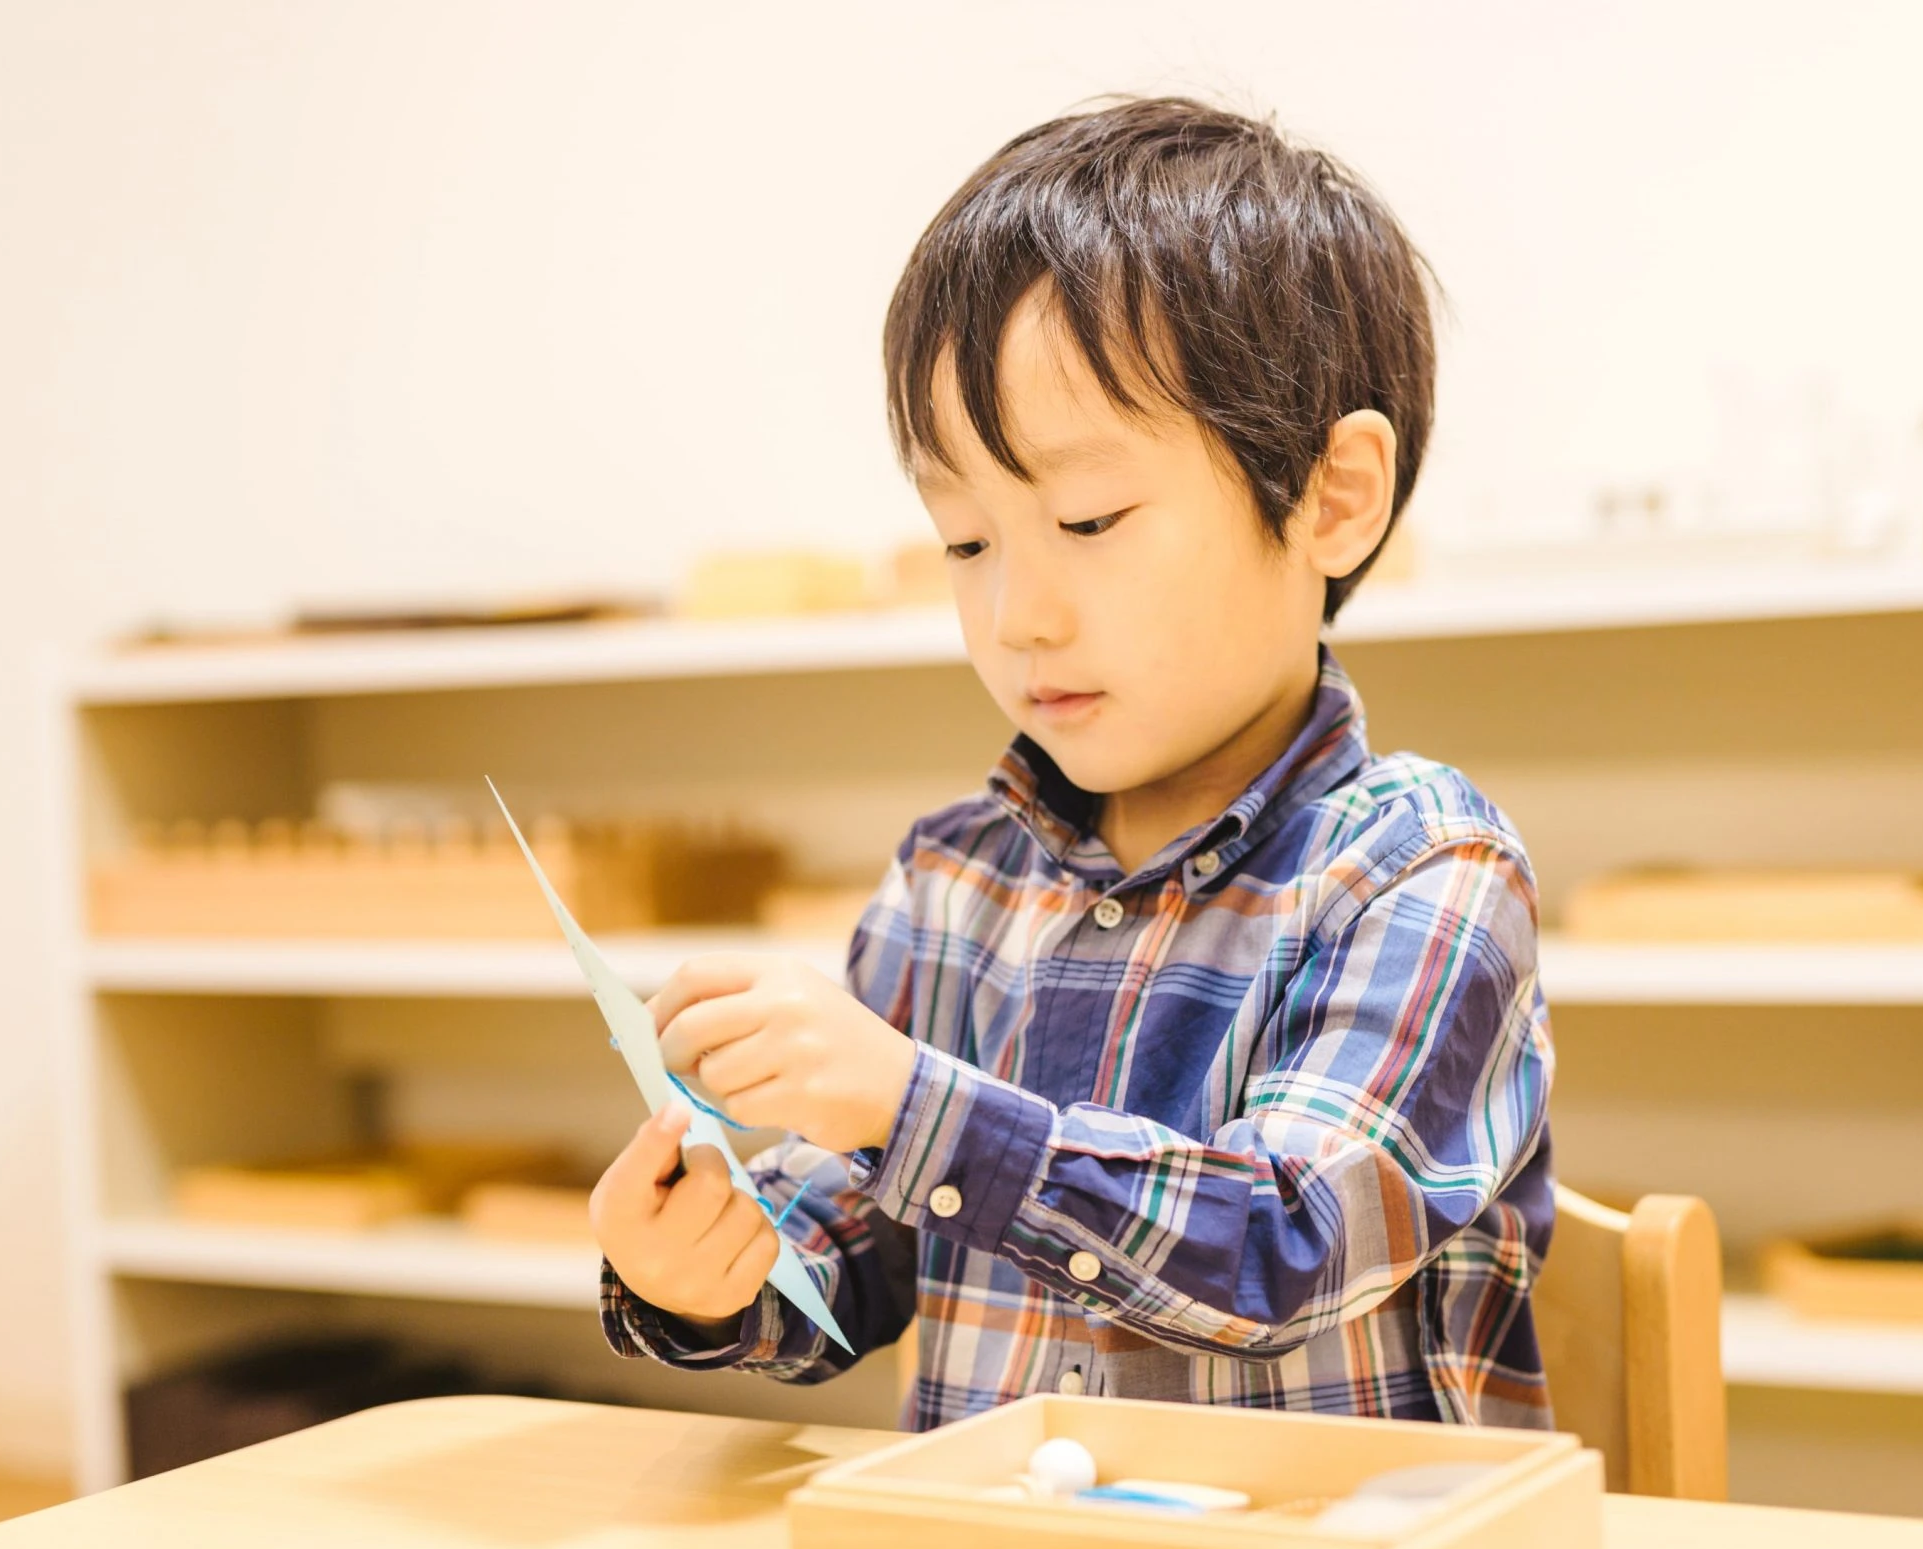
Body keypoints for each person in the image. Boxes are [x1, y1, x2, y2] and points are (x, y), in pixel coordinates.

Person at [589, 96, 1555, 1428]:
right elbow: (859, 1248)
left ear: (1332, 498)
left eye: (1088, 519)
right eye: (968, 541)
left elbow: (1290, 1246)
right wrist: (712, 1268)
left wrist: (912, 1103)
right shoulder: (953, 880)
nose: (1016, 616)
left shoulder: (1420, 871)